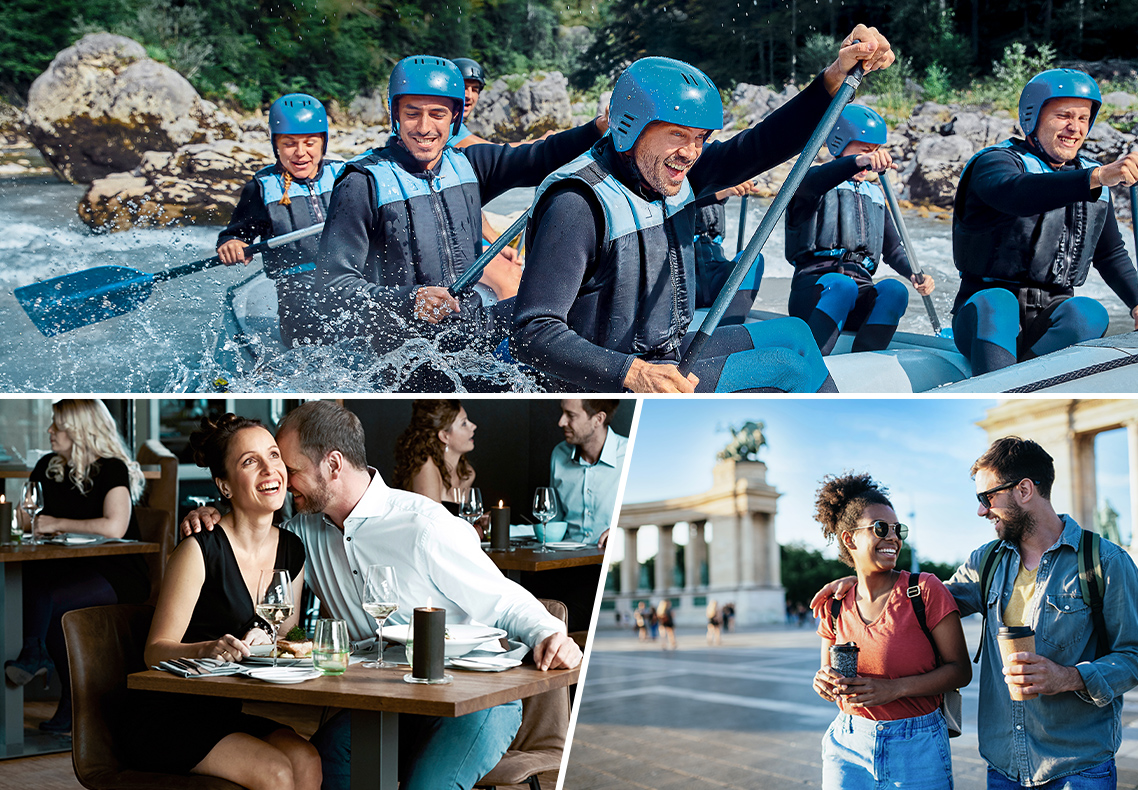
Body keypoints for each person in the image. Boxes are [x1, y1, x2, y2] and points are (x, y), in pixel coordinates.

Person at [180, 401, 580, 790]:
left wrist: (550, 633)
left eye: (291, 469)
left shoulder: (422, 525)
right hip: (388, 702)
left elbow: (503, 599)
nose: (283, 480)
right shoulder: (303, 534)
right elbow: (253, 524)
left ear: (333, 465)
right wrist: (216, 511)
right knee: (326, 767)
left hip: (472, 699)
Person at [512, 27, 896, 393]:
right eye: (678, 134)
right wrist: (633, 373)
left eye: (700, 138)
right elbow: (533, 332)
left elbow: (761, 144)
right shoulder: (576, 204)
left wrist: (836, 75)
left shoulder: (669, 173)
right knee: (786, 369)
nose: (691, 153)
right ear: (630, 126)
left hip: (660, 354)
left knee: (795, 334)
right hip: (606, 378)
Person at [812, 437, 1138, 788]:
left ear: (1024, 490)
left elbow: (1135, 658)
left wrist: (1067, 677)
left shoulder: (1105, 562)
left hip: (1078, 767)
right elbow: (924, 601)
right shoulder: (986, 561)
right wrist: (860, 579)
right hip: (1004, 766)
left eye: (987, 498)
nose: (981, 511)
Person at [314, 55, 609, 360]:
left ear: (454, 117)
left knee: (584, 301)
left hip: (472, 327)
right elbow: (332, 286)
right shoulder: (361, 183)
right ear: (395, 114)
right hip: (406, 346)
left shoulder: (469, 165)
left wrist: (599, 128)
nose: (424, 127)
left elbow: (538, 156)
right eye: (412, 113)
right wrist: (410, 300)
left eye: (437, 114)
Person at [125, 415, 320, 789]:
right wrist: (208, 649)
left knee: (307, 758)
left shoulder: (292, 549)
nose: (269, 469)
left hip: (226, 709)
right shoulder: (198, 549)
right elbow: (153, 651)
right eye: (250, 461)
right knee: (276, 773)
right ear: (224, 486)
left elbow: (288, 632)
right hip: (168, 716)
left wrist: (278, 642)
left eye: (274, 455)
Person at [950, 69, 1138, 376]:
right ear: (1032, 117)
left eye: (1083, 119)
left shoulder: (1090, 179)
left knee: (1089, 313)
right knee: (998, 304)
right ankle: (1000, 383)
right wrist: (1097, 177)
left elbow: (1109, 254)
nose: (1075, 128)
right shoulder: (995, 163)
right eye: (1064, 116)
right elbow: (1017, 195)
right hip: (984, 315)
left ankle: (1027, 377)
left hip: (1048, 319)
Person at [810, 472, 970, 789]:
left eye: (899, 530)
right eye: (881, 528)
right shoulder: (835, 604)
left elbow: (960, 671)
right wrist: (823, 681)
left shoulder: (924, 590)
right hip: (847, 745)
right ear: (850, 539)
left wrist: (893, 689)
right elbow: (826, 669)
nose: (894, 538)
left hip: (918, 746)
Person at [5, 399, 149, 734]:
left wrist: (55, 523)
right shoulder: (46, 465)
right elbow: (28, 518)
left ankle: (35, 656)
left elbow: (115, 527)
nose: (50, 431)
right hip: (66, 569)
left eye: (57, 424)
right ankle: (60, 689)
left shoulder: (112, 467)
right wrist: (28, 520)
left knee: (52, 599)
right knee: (35, 583)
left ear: (80, 428)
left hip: (117, 572)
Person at [784, 104, 935, 355]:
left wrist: (914, 274)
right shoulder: (810, 183)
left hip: (858, 291)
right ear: (839, 143)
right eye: (866, 151)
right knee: (842, 285)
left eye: (875, 152)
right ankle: (809, 363)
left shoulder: (875, 195)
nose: (872, 159)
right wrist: (856, 162)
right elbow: (813, 181)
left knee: (895, 290)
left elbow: (894, 249)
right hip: (816, 293)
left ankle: (866, 361)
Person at [217, 93, 345, 347]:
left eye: (310, 143)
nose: (300, 153)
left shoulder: (345, 175)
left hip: (348, 277)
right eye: (289, 143)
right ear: (276, 145)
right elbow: (237, 233)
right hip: (296, 288)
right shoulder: (262, 189)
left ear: (323, 143)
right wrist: (231, 242)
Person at [447, 57, 525, 304]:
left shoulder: (455, 129)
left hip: (461, 231)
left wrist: (497, 243)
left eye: (475, 89)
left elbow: (469, 206)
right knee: (511, 277)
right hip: (446, 239)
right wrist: (547, 142)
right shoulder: (443, 132)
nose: (469, 95)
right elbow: (501, 156)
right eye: (463, 87)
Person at [550, 399, 626, 548]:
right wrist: (503, 527)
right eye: (562, 413)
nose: (561, 422)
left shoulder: (630, 453)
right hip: (563, 562)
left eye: (571, 415)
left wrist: (619, 532)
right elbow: (552, 524)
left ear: (598, 419)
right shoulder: (559, 454)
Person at [693, 178, 764, 326]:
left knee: (754, 259)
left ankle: (728, 332)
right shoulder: (668, 186)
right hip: (684, 281)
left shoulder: (715, 174)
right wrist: (724, 191)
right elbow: (682, 204)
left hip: (717, 274)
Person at [392, 399, 477, 504]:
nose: (473, 426)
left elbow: (462, 517)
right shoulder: (426, 468)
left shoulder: (467, 473)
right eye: (464, 423)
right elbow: (430, 520)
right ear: (444, 436)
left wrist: (480, 520)